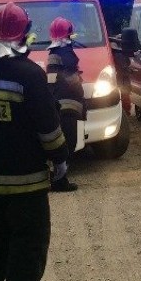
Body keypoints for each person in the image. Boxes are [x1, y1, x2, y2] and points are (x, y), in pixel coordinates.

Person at [0, 2, 70, 281]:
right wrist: (60, 158)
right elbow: (49, 132)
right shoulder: (30, 75)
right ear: (24, 35)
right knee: (27, 249)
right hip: (28, 185)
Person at [45, 16, 83, 192]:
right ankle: (60, 180)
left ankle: (60, 177)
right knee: (68, 142)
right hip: (67, 105)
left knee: (67, 142)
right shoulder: (61, 53)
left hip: (65, 104)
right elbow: (60, 79)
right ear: (67, 33)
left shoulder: (56, 52)